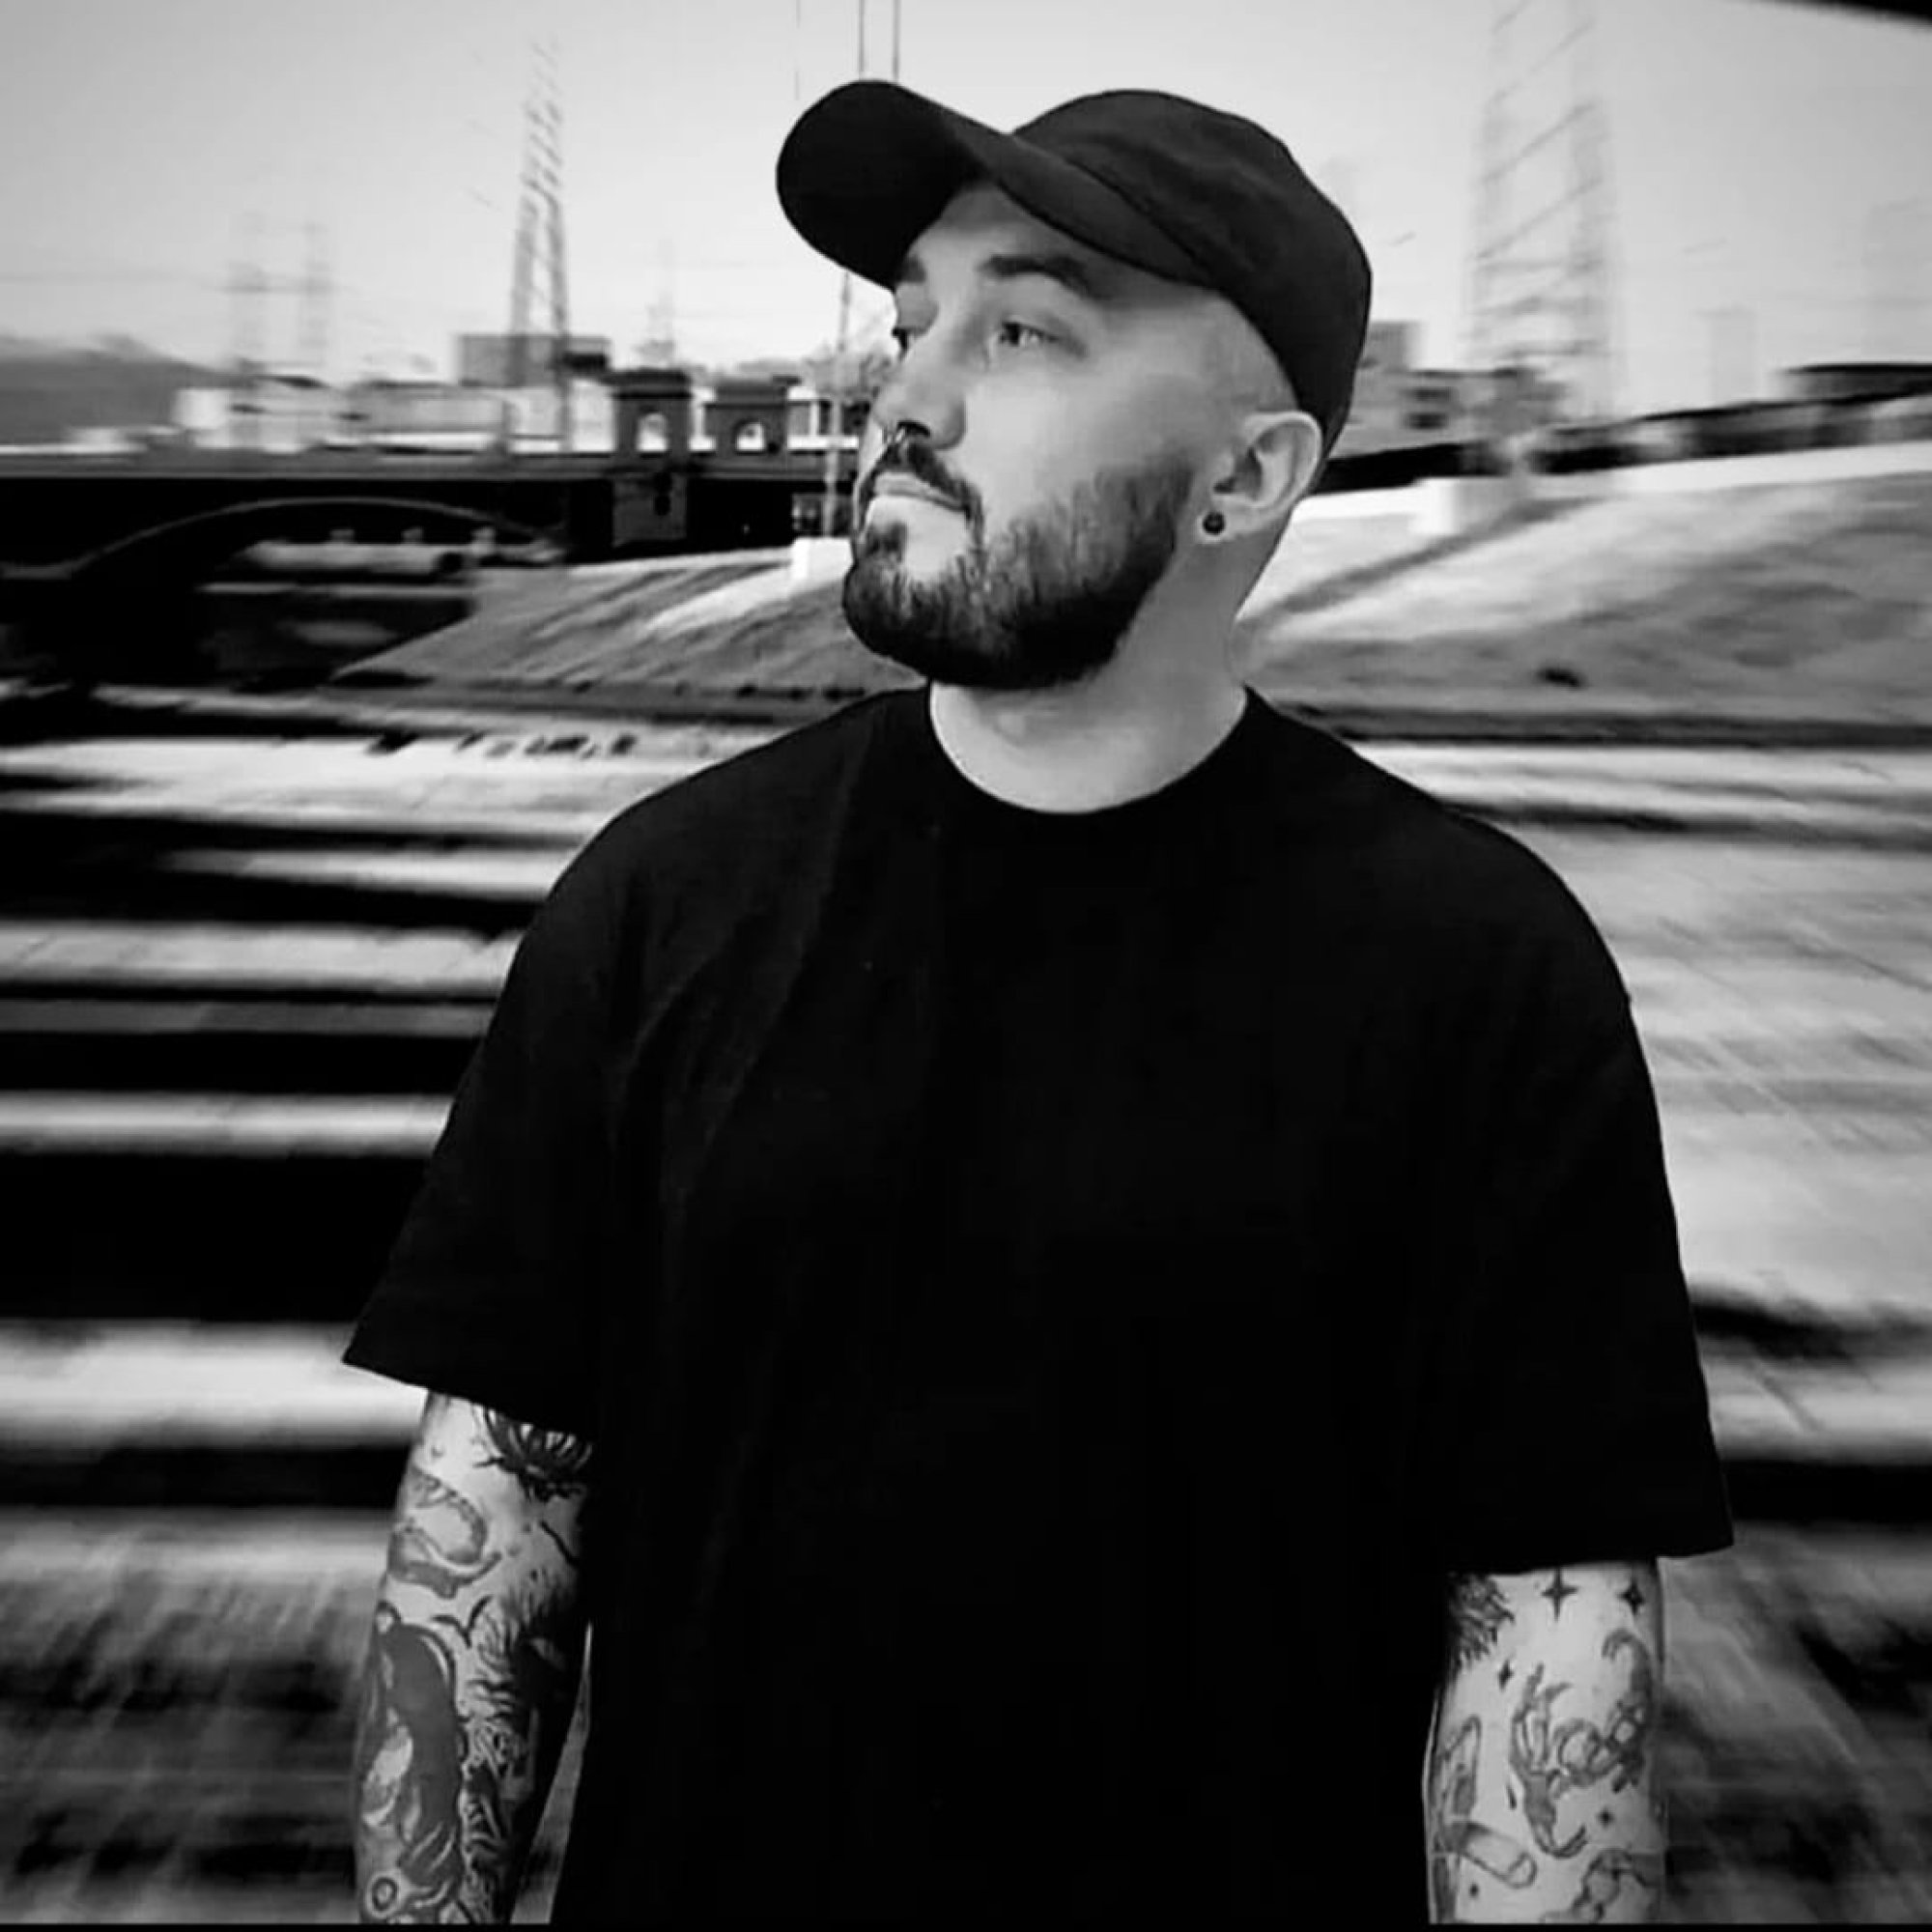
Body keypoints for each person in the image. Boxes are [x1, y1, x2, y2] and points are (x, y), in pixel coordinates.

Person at [343, 78, 1733, 1924]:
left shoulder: (1478, 974)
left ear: (1248, 477)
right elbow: (496, 1527)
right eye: (910, 324)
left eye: (1022, 332)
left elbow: (1547, 1648)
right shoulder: (658, 903)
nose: (902, 397)